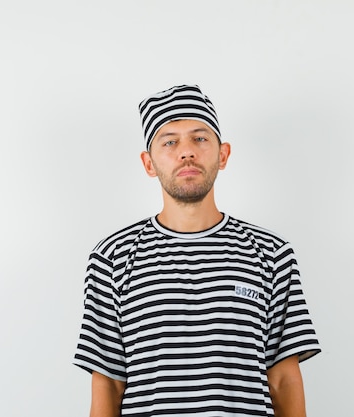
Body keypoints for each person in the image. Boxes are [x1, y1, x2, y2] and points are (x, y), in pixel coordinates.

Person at [73, 84, 320, 417]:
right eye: (170, 141)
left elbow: (283, 378)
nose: (186, 151)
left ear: (223, 155)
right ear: (149, 163)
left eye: (200, 138)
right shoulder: (112, 257)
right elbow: (109, 384)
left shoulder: (271, 254)